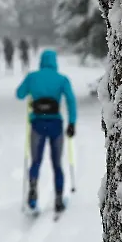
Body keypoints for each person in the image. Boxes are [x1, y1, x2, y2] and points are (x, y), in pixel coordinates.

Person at [15, 49, 76, 213]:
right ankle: (58, 198)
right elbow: (71, 101)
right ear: (55, 62)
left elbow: (19, 94)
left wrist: (30, 91)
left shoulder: (32, 77)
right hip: (55, 125)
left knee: (36, 161)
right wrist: (72, 123)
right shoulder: (62, 79)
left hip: (37, 125)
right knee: (57, 164)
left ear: (41, 61)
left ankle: (33, 191)